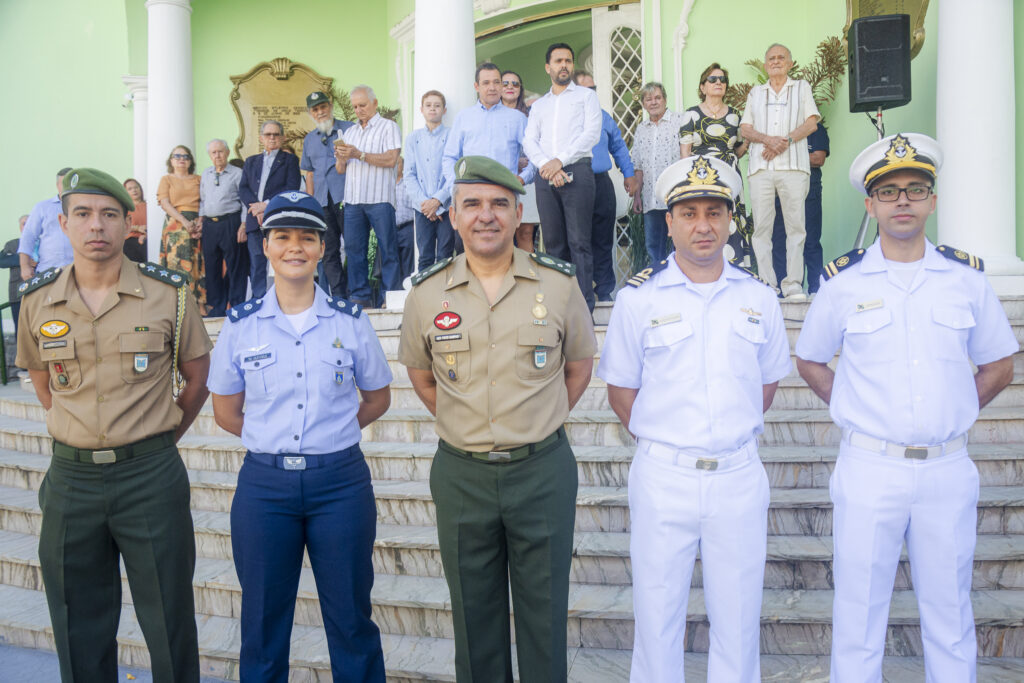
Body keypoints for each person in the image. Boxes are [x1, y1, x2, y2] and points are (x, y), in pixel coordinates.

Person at [795, 133, 1018, 682]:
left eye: (915, 190)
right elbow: (811, 359)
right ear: (870, 204)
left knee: (949, 614)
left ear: (932, 201)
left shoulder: (965, 279)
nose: (902, 201)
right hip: (870, 468)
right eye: (888, 191)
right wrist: (851, 405)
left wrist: (958, 405)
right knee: (858, 615)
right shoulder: (843, 282)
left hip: (946, 468)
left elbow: (998, 364)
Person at [398, 156, 596, 682]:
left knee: (545, 617)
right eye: (472, 205)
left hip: (542, 472)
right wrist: (469, 423)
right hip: (463, 476)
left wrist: (535, 418)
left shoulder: (556, 286)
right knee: (473, 618)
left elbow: (577, 368)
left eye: (498, 205)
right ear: (455, 217)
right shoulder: (425, 294)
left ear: (517, 213)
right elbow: (422, 377)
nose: (485, 216)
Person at [15, 167, 212, 682]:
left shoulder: (168, 292)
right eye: (82, 214)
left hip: (149, 476)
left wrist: (160, 439)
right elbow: (44, 385)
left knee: (168, 618)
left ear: (130, 224)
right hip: (71, 482)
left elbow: (195, 379)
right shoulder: (37, 301)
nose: (95, 226)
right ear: (63, 223)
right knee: (77, 624)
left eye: (109, 215)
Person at [599, 155, 790, 682]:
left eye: (714, 211)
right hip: (665, 476)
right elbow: (621, 389)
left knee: (738, 618)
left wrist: (724, 433)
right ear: (669, 221)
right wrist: (671, 441)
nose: (702, 225)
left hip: (737, 475)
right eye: (689, 213)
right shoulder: (638, 299)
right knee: (658, 618)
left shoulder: (758, 297)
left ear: (731, 218)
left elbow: (766, 384)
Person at [208, 190, 391, 682]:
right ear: (264, 246)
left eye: (307, 237)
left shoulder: (351, 323)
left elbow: (376, 398)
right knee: (263, 625)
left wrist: (330, 435)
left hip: (340, 485)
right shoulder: (241, 326)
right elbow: (225, 410)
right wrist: (271, 438)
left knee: (351, 620)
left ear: (321, 247)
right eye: (282, 236)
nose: (295, 247)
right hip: (265, 490)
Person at [524, 43, 602, 311]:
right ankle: (558, 309)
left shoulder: (586, 97)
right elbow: (529, 140)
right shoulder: (539, 106)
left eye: (568, 60)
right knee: (554, 245)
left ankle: (582, 311)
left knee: (579, 242)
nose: (564, 65)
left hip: (578, 171)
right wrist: (548, 165)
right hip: (546, 177)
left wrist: (560, 161)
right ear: (548, 67)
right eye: (558, 61)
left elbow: (591, 133)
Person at [739, 43, 820, 301]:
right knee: (762, 229)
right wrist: (768, 140)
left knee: (796, 228)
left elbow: (811, 123)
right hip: (761, 168)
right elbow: (745, 129)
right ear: (765, 66)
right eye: (771, 58)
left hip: (794, 167)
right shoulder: (755, 92)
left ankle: (793, 285)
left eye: (781, 58)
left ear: (790, 63)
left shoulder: (802, 88)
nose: (776, 61)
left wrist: (784, 140)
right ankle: (767, 285)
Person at [442, 62, 536, 255]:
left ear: (501, 85)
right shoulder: (464, 117)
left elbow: (535, 157)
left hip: (503, 195)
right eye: (486, 83)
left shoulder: (517, 119)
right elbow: (449, 156)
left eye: (496, 82)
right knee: (467, 249)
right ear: (477, 87)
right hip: (470, 195)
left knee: (504, 248)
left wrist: (522, 178)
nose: (492, 87)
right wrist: (457, 186)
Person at [573, 70, 639, 301]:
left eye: (594, 89)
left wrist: (628, 174)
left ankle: (604, 292)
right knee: (578, 241)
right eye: (586, 89)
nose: (591, 94)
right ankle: (580, 294)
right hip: (574, 185)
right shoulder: (563, 120)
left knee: (603, 240)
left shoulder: (602, 117)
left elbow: (619, 146)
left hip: (601, 182)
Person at [334, 85, 402, 307]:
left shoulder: (388, 127)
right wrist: (342, 157)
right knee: (354, 252)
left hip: (380, 197)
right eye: (355, 106)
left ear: (374, 103)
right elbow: (341, 170)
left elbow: (391, 159)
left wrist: (358, 154)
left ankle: (390, 297)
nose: (358, 110)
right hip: (353, 200)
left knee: (388, 249)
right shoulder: (350, 132)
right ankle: (360, 298)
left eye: (362, 105)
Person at [680, 62, 753, 266]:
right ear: (703, 87)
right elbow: (685, 153)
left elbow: (737, 150)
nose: (718, 82)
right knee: (707, 218)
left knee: (730, 219)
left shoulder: (735, 115)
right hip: (702, 176)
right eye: (713, 79)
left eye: (722, 79)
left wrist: (747, 142)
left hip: (729, 175)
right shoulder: (691, 114)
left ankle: (734, 266)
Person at [240, 120, 302, 298]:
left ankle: (282, 299)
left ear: (282, 138)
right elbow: (243, 188)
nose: (272, 138)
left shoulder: (290, 160)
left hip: (277, 218)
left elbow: (291, 188)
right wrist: (256, 209)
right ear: (261, 138)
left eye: (276, 134)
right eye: (268, 135)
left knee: (279, 261)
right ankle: (259, 301)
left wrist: (266, 206)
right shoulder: (251, 161)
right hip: (254, 220)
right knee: (257, 262)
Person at [302, 90, 354, 297]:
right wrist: (310, 204)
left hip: (347, 198)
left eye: (323, 107)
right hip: (322, 202)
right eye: (315, 109)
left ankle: (355, 293)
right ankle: (339, 295)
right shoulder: (309, 140)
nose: (320, 112)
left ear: (330, 107)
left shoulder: (349, 130)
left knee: (353, 247)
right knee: (328, 250)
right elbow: (309, 174)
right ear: (311, 113)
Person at [772, 121, 830, 293]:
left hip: (808, 190)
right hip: (781, 191)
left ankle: (815, 289)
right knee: (780, 241)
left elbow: (818, 159)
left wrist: (784, 152)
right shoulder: (777, 129)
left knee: (810, 241)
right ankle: (784, 291)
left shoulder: (815, 128)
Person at [630, 83, 683, 267]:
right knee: (653, 247)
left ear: (665, 99)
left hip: (675, 196)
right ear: (644, 104)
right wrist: (637, 196)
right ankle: (658, 285)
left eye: (657, 98)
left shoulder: (679, 121)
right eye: (648, 99)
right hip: (651, 199)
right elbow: (638, 166)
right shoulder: (641, 129)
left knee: (680, 246)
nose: (653, 102)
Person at [403, 90, 454, 271]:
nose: (433, 109)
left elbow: (454, 174)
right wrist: (426, 204)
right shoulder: (413, 138)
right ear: (421, 109)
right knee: (424, 255)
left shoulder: (452, 136)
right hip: (422, 208)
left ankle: (444, 297)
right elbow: (409, 174)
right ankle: (425, 297)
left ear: (444, 110)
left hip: (447, 206)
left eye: (437, 105)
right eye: (429, 105)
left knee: (445, 255)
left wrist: (437, 201)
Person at [199, 139, 246, 316]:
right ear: (210, 155)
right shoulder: (206, 174)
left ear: (227, 153)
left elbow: (244, 202)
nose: (217, 155)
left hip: (231, 222)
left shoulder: (237, 173)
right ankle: (217, 307)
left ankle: (236, 306)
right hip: (210, 225)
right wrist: (200, 219)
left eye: (220, 151)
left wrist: (242, 225)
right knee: (212, 266)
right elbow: (203, 200)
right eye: (213, 152)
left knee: (235, 266)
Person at [157, 144, 206, 309]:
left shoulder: (198, 179)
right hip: (176, 224)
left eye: (185, 157)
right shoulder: (167, 179)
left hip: (197, 224)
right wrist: (184, 221)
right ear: (171, 160)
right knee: (176, 264)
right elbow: (164, 202)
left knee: (198, 263)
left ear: (190, 161)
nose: (181, 160)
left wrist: (200, 221)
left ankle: (198, 303)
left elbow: (206, 201)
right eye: (177, 156)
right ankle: (177, 305)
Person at [500, 69, 541, 252]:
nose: (510, 87)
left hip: (526, 180)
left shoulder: (530, 116)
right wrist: (512, 162)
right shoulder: (491, 117)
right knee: (502, 233)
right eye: (505, 83)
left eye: (515, 84)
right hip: (500, 180)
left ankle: (527, 278)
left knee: (525, 233)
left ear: (520, 89)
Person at [19, 167, 74, 284]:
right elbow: (28, 237)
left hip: (79, 272)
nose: (67, 187)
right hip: (48, 272)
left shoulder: (86, 207)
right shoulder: (42, 208)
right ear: (57, 185)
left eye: (71, 183)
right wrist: (25, 266)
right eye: (63, 183)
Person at [0, 215, 29, 337]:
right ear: (20, 227)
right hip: (17, 295)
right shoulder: (12, 244)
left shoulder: (44, 242)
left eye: (30, 223)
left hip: (41, 293)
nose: (27, 226)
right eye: (24, 223)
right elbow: (2, 261)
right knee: (21, 332)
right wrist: (25, 259)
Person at [393, 157, 416, 281]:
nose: (396, 166)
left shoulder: (408, 184)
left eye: (399, 163)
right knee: (392, 261)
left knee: (408, 261)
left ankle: (407, 287)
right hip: (390, 228)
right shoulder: (386, 185)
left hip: (407, 227)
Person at [123, 178, 148, 262]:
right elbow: (120, 225)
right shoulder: (124, 208)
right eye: (130, 189)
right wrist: (137, 228)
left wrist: (146, 235)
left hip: (148, 239)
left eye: (136, 187)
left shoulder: (149, 206)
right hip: (130, 241)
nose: (134, 190)